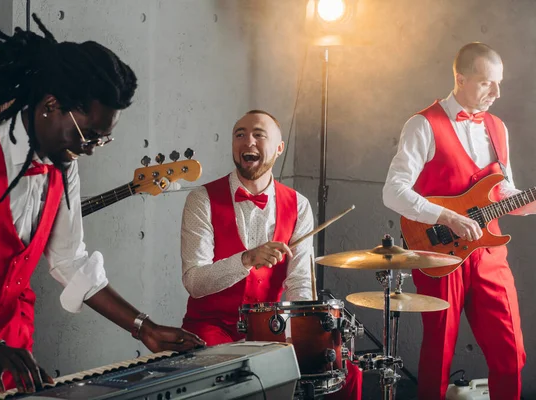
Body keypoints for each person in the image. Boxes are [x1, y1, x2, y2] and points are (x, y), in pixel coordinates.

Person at [0, 14, 203, 400]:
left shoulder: (62, 167)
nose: (89, 149)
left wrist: (144, 328)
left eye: (102, 139)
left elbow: (69, 261)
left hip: (12, 360)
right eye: (87, 135)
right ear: (50, 105)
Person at [383, 42, 535, 400]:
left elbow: (503, 193)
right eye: (486, 84)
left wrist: (529, 204)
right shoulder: (422, 124)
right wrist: (447, 217)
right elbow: (393, 192)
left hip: (489, 253)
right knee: (438, 354)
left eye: (499, 83)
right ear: (460, 79)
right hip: (439, 251)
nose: (496, 93)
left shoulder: (497, 127)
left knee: (511, 354)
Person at [180, 109, 363, 399]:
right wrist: (246, 259)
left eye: (258, 135)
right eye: (239, 134)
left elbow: (300, 282)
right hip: (212, 328)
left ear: (279, 148)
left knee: (346, 373)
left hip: (273, 331)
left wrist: (304, 338)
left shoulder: (299, 205)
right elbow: (194, 282)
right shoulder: (201, 199)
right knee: (232, 378)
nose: (247, 141)